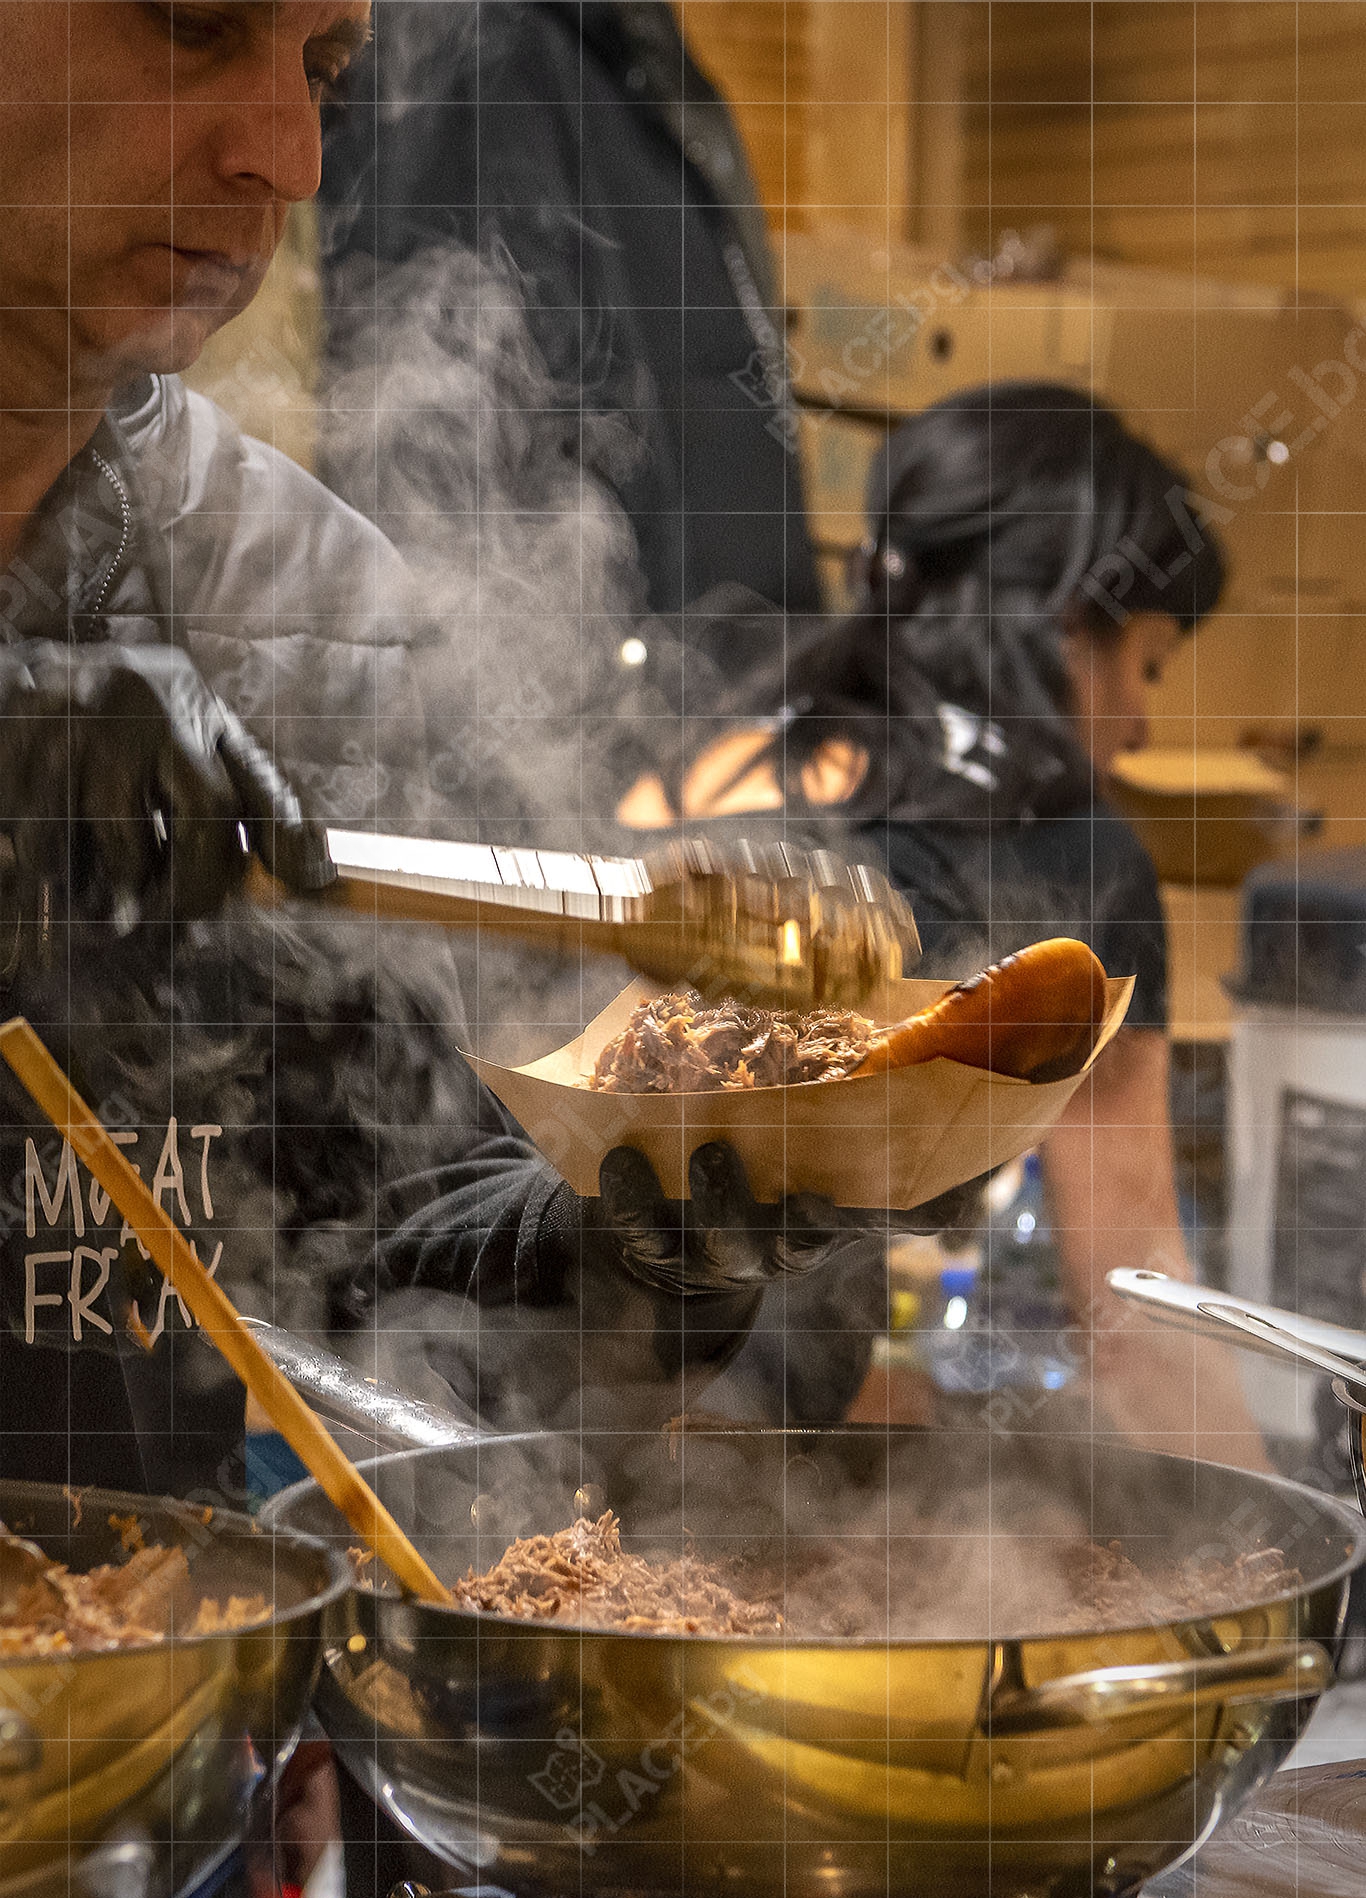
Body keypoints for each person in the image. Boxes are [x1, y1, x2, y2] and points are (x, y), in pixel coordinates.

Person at [0, 0, 962, 1503]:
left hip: (148, 1632)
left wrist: (619, 1249)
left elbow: (365, 1234)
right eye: (195, 26)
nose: (289, 157)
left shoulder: (306, 616)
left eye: (324, 69)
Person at [615, 382, 1271, 1470]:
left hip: (517, 1421)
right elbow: (1132, 1303)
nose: (1141, 721)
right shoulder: (1069, 850)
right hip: (744, 1484)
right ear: (1069, 626)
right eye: (1146, 665)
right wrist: (1284, 1527)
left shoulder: (686, 775)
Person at [317, 0, 821, 621]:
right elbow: (451, 390)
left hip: (722, 610)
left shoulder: (620, 37)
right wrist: (628, 633)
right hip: (612, 618)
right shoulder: (460, 43)